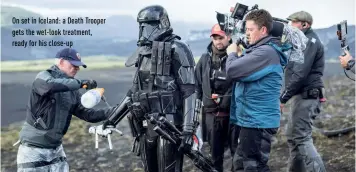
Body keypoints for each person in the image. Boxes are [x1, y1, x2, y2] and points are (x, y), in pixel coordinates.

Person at [98, 5, 200, 172]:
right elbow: (134, 93)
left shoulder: (178, 48)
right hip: (145, 125)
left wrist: (189, 131)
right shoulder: (142, 52)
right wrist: (112, 120)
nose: (145, 31)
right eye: (143, 26)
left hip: (170, 124)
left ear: (162, 23)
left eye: (150, 25)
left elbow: (189, 91)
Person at [16, 47, 119, 172]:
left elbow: (87, 114)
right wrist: (82, 83)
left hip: (56, 150)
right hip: (33, 150)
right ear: (60, 62)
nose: (77, 68)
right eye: (73, 64)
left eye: (78, 65)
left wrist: (117, 110)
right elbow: (50, 85)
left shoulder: (72, 91)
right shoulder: (43, 78)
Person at [225, 9, 286, 172]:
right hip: (251, 120)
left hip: (258, 122)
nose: (247, 34)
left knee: (254, 167)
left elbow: (233, 71)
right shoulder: (259, 51)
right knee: (241, 165)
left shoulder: (266, 52)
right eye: (246, 30)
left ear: (263, 30)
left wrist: (231, 54)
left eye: (250, 30)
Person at [281, 11, 326, 172]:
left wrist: (283, 98)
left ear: (304, 25)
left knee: (301, 137)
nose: (290, 26)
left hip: (306, 95)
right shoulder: (301, 41)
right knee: (293, 137)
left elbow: (300, 74)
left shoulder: (309, 41)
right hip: (300, 96)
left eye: (293, 22)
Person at [195, 23, 235, 172]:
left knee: (237, 154)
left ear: (229, 37)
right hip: (211, 116)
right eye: (215, 38)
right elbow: (196, 85)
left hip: (233, 115)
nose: (218, 41)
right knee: (213, 156)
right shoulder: (205, 59)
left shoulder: (237, 56)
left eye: (221, 37)